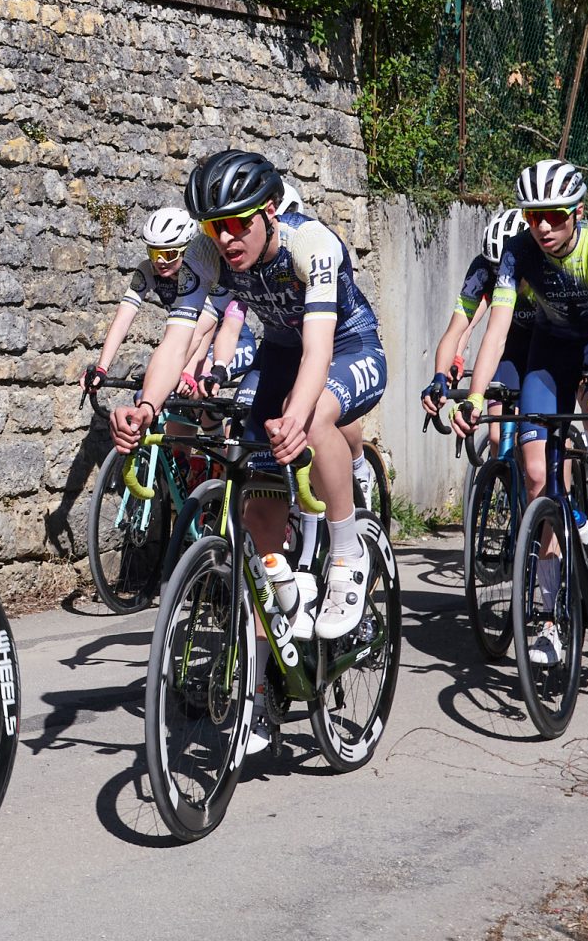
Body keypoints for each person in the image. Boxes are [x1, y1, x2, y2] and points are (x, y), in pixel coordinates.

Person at [109, 150, 387, 747]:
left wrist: (295, 416)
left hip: (348, 346)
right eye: (216, 226)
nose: (227, 238)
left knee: (314, 419)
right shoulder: (206, 254)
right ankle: (264, 676)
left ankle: (347, 554)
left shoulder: (312, 244)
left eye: (239, 224)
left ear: (269, 212)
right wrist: (147, 406)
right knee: (259, 516)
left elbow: (319, 351)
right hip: (281, 355)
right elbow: (176, 338)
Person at [451, 159, 588, 668]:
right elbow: (497, 329)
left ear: (577, 212)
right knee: (538, 478)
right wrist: (475, 396)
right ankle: (548, 619)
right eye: (533, 215)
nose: (542, 226)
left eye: (555, 215)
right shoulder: (518, 252)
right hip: (553, 348)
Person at [81, 206, 256, 397]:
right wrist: (102, 368)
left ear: (188, 250)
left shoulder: (207, 271)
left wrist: (187, 372)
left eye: (169, 254)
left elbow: (202, 331)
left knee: (194, 392)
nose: (160, 261)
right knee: (159, 399)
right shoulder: (148, 270)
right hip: (190, 343)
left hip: (232, 343)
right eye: (153, 253)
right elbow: (123, 319)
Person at [419, 207, 532, 450]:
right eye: (495, 268)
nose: (501, 276)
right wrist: (443, 374)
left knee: (539, 440)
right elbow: (460, 328)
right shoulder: (482, 270)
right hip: (509, 347)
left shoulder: (541, 272)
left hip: (546, 346)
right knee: (497, 438)